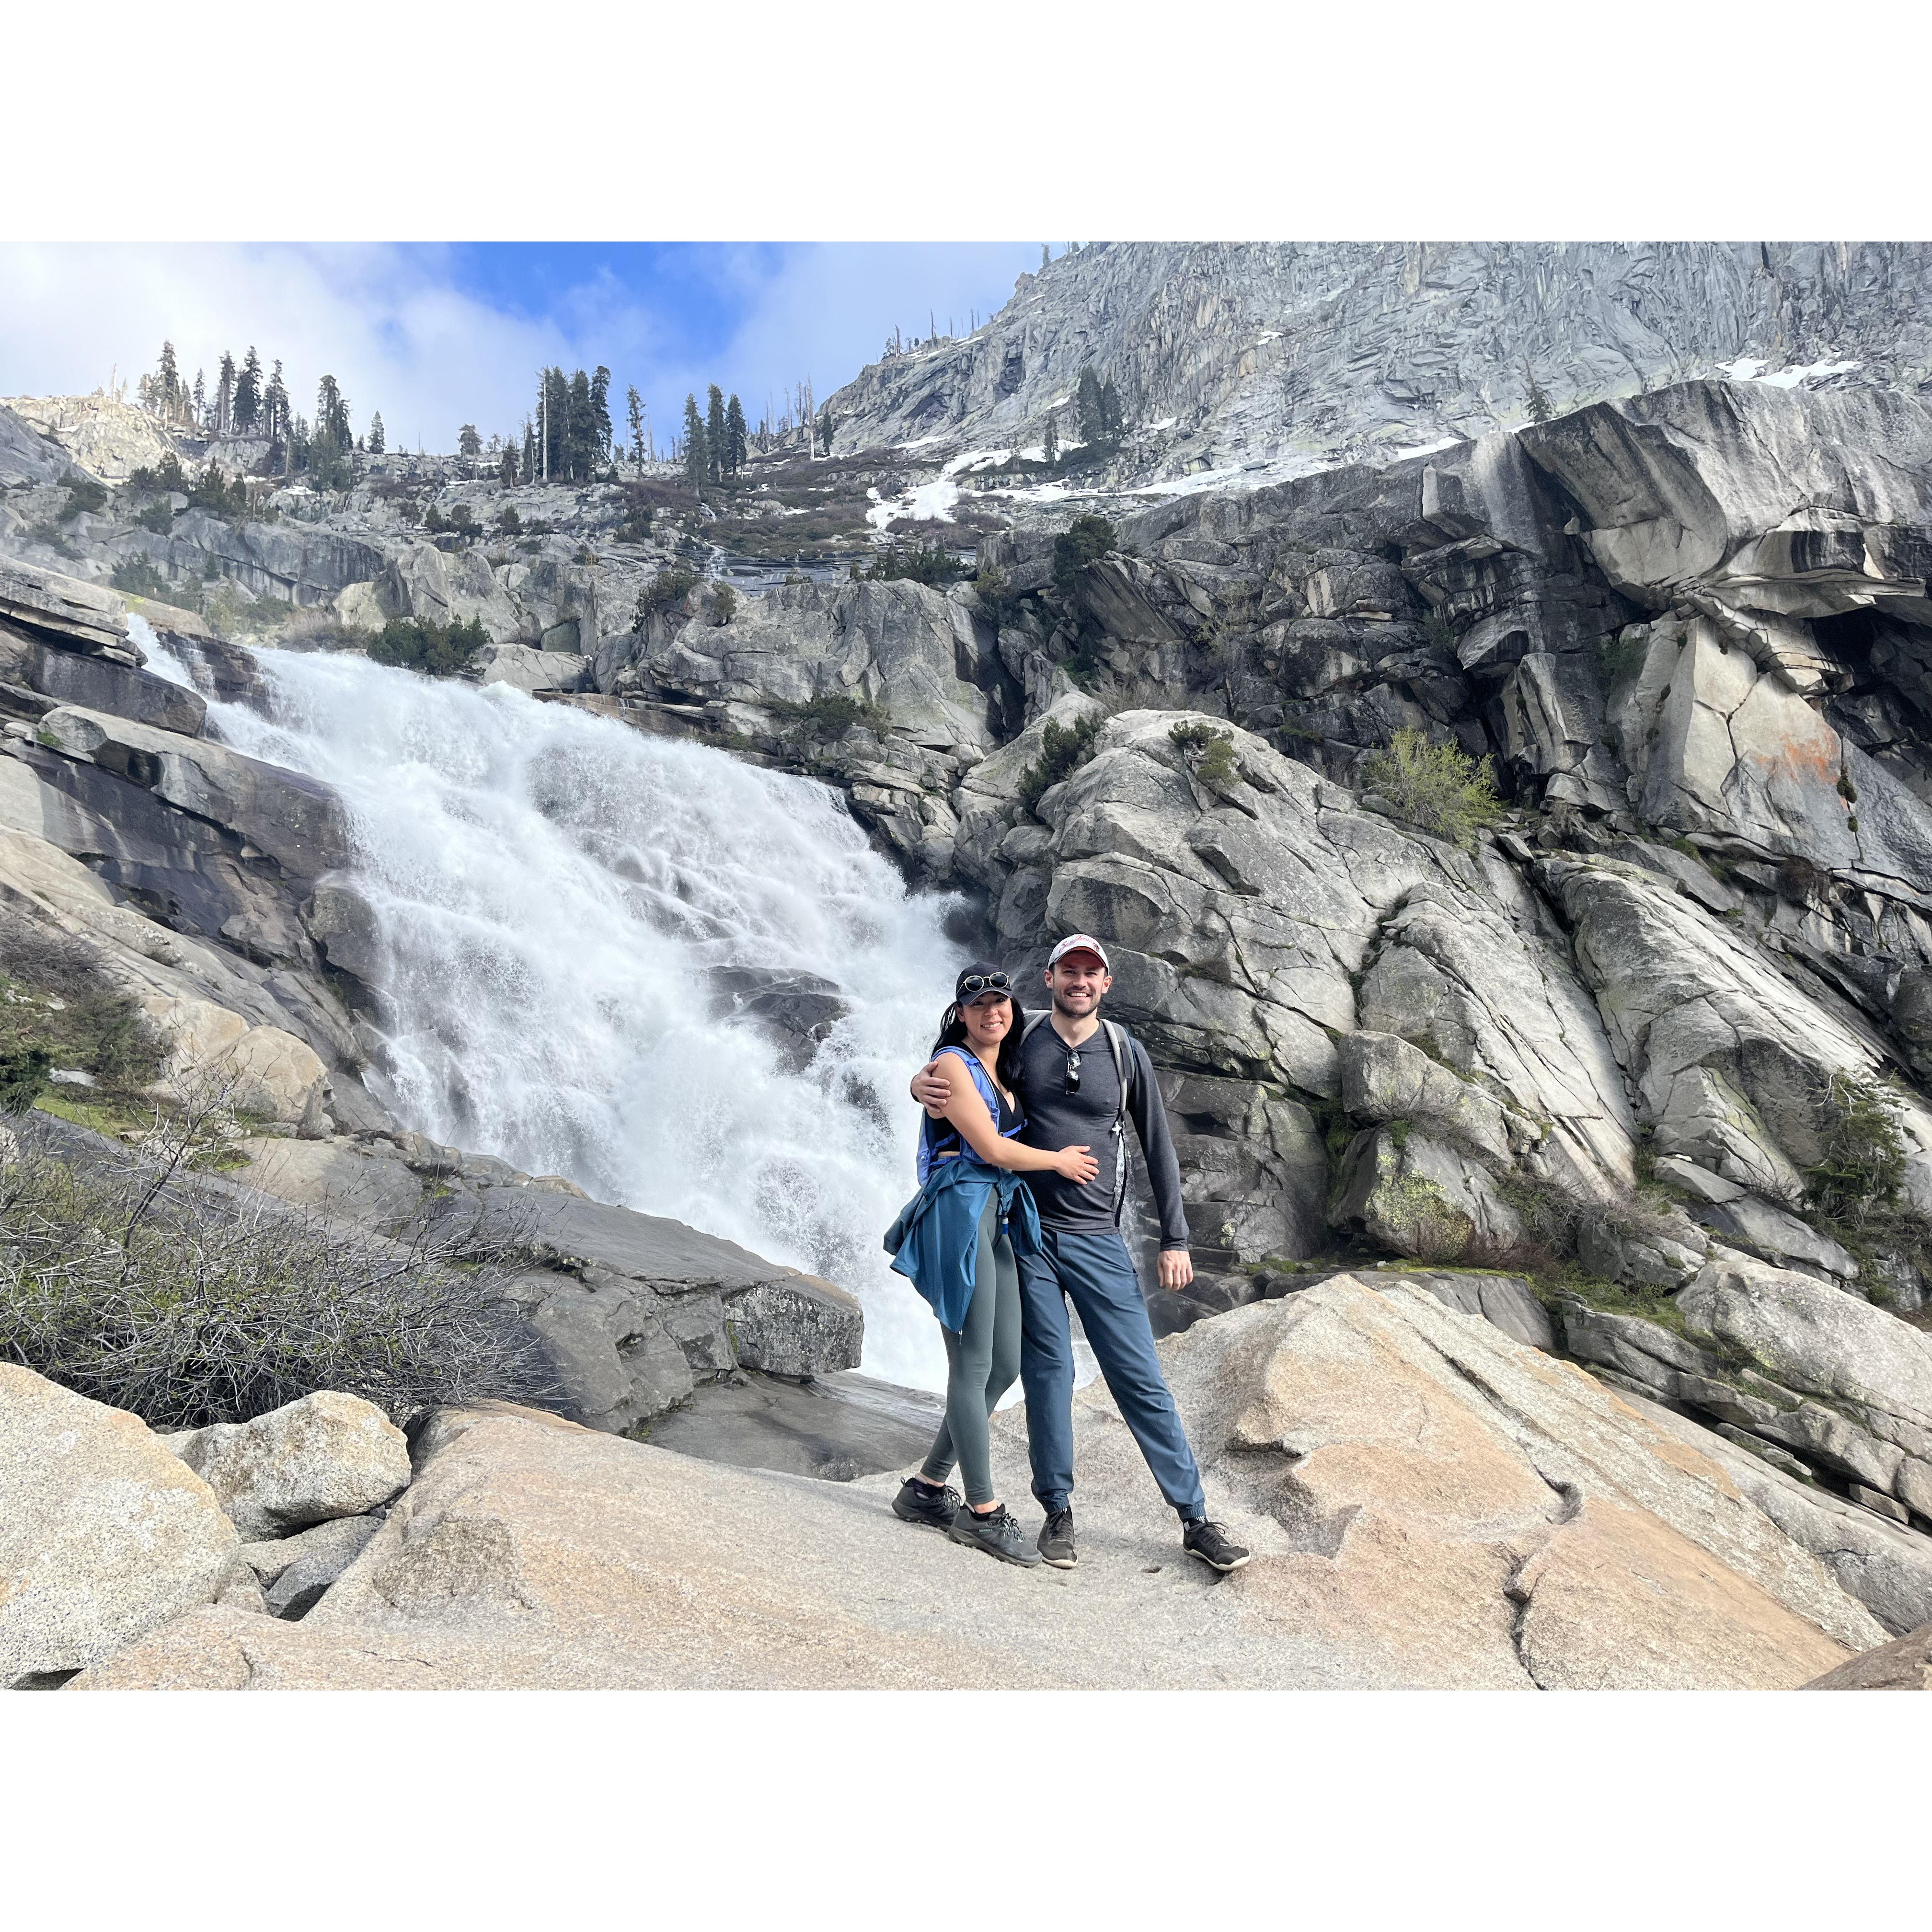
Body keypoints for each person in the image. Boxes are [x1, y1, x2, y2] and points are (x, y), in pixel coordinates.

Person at [911, 935, 1251, 1575]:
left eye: (1091, 973)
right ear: (1050, 978)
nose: (1080, 981)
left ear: (1107, 983)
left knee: (1140, 1378)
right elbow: (964, 1069)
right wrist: (918, 1083)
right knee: (1048, 1375)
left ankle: (1196, 1519)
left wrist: (1176, 1239)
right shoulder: (1023, 1040)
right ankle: (1057, 1511)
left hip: (1099, 1238)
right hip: (1029, 1236)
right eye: (1070, 971)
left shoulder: (1124, 1051)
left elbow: (1157, 1144)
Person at [885, 963, 1100, 1568]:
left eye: (1000, 1001)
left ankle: (927, 1488)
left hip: (997, 1212)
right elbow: (988, 1147)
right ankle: (981, 1511)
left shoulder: (1006, 1067)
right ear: (960, 1014)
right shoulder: (953, 1063)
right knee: (973, 1360)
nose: (991, 1012)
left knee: (1004, 1363)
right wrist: (1057, 1161)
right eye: (978, 1004)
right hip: (959, 1210)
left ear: (1012, 1007)